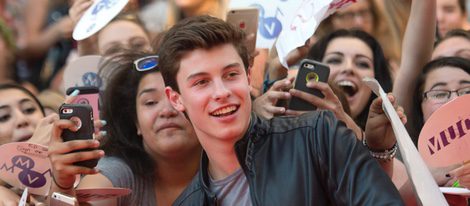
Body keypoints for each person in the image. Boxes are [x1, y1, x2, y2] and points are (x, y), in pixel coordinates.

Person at [158, 15, 404, 205]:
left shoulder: (317, 136)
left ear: (247, 76)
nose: (221, 92)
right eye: (201, 82)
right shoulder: (188, 202)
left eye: (231, 74)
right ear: (176, 99)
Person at [47, 51, 201, 205]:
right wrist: (63, 185)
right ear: (135, 122)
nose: (166, 111)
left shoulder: (222, 167)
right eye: (150, 102)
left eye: (177, 97)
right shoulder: (117, 173)